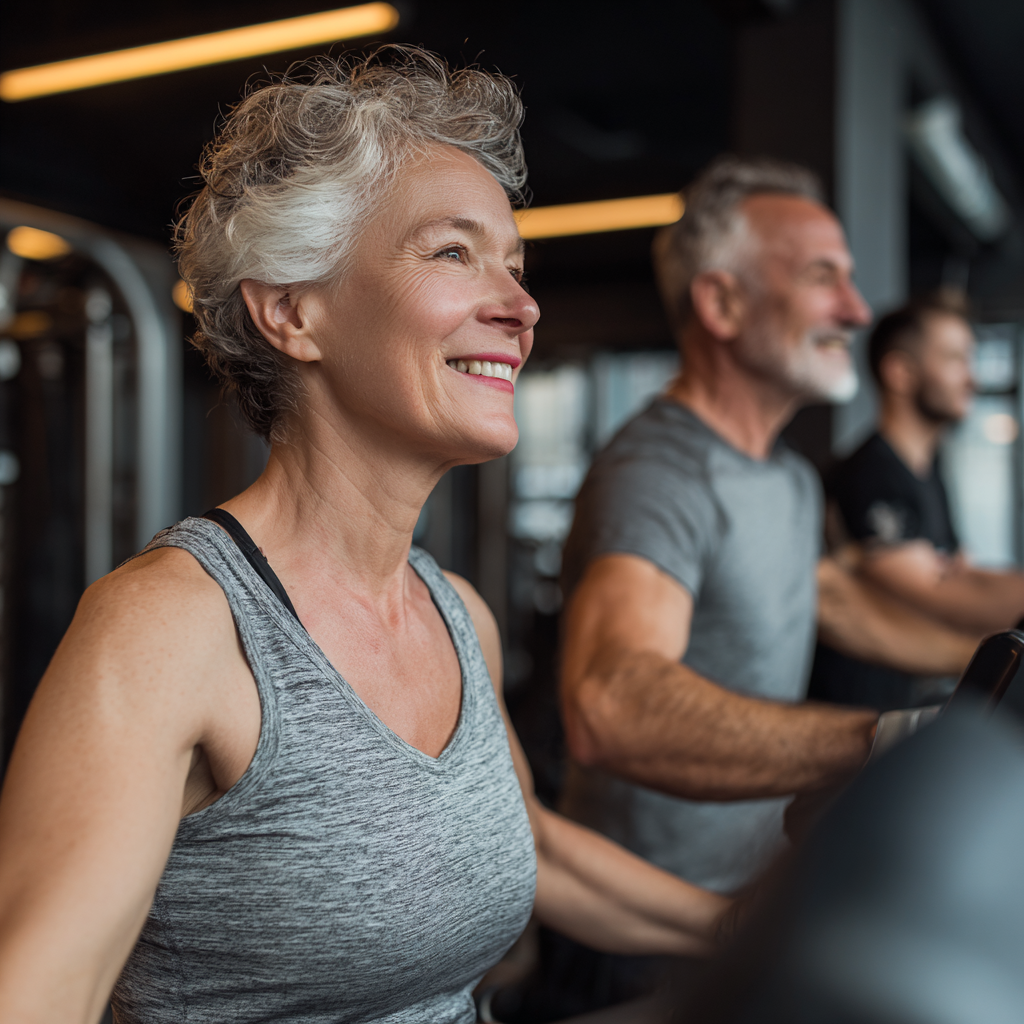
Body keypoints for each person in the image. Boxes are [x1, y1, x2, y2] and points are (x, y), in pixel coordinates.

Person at [0, 49, 730, 1024]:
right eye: (453, 253)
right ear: (291, 310)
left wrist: (753, 923)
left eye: (515, 268)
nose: (521, 308)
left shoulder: (457, 614)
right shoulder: (170, 629)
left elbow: (538, 848)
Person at [558, 157, 980, 904]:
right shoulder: (659, 474)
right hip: (642, 917)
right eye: (823, 278)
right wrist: (891, 738)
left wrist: (991, 668)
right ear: (722, 303)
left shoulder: (789, 477)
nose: (857, 311)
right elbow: (610, 704)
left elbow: (833, 603)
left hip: (748, 896)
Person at [812, 294, 1024, 710]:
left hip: (905, 697)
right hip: (857, 712)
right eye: (954, 359)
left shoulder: (928, 470)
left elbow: (963, 575)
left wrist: (955, 577)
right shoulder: (872, 474)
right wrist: (948, 580)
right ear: (901, 372)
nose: (971, 379)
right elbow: (934, 595)